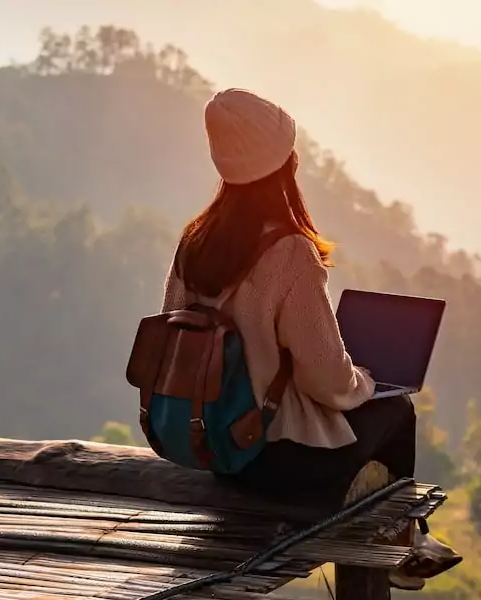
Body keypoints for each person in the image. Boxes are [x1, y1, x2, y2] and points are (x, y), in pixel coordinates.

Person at [160, 87, 460, 590]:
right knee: (398, 412)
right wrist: (364, 381)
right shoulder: (290, 252)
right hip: (276, 457)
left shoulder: (195, 240)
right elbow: (326, 381)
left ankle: (406, 537)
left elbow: (172, 331)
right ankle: (401, 543)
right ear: (283, 165)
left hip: (209, 444)